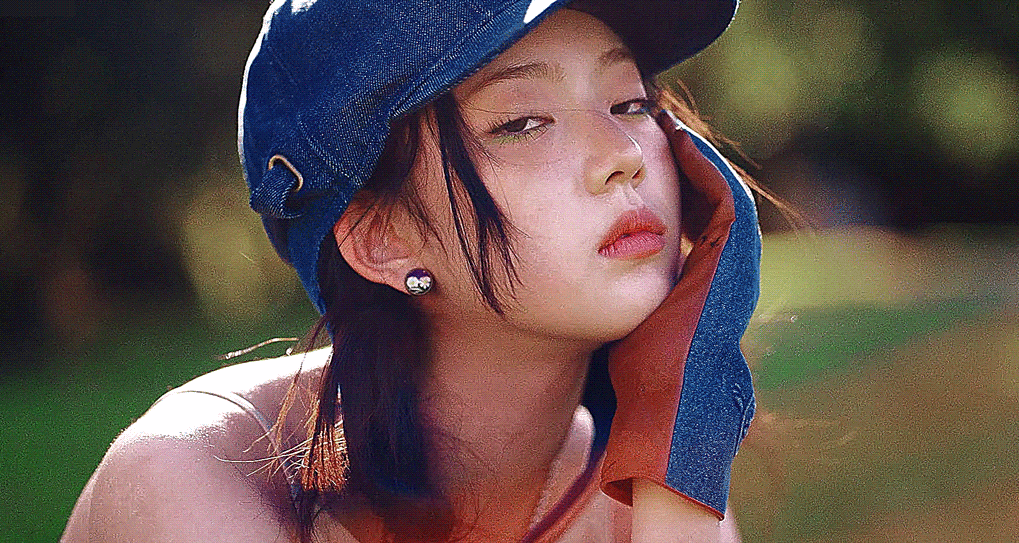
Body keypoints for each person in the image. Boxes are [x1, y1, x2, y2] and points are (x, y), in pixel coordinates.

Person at [62, 0, 761, 541]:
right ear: (381, 238)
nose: (624, 154)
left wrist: (687, 426)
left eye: (630, 103)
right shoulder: (189, 477)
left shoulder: (647, 493)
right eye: (522, 121)